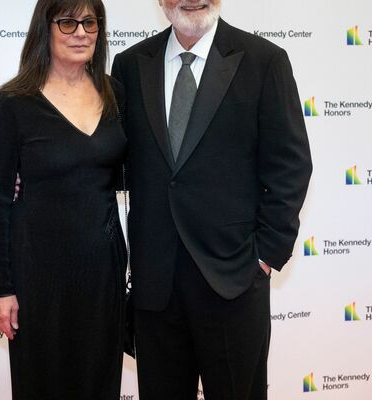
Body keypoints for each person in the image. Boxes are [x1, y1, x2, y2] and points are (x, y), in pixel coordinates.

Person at [111, 0, 312, 398]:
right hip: (156, 287)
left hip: (234, 281)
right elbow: (114, 158)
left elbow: (290, 165)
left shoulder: (263, 61)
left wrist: (264, 257)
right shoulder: (130, 65)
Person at [0, 0, 126, 398]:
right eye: (67, 22)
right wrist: (2, 287)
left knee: (99, 383)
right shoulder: (14, 102)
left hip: (102, 271)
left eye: (90, 22)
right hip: (37, 275)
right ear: (45, 28)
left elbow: (126, 173)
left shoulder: (115, 93)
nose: (80, 32)